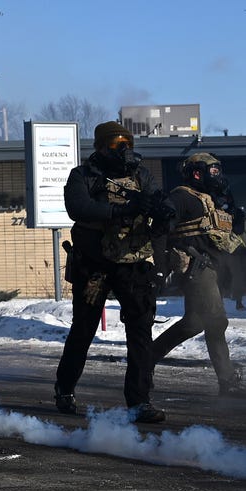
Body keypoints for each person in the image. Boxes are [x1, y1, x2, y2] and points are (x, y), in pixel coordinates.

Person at [53, 121, 171, 423]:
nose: (123, 150)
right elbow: (78, 208)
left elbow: (158, 215)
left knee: (141, 332)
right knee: (84, 329)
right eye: (116, 144)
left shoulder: (142, 176)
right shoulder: (83, 176)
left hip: (134, 263)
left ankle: (139, 401)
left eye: (127, 144)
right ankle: (65, 389)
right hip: (95, 265)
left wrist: (160, 216)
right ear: (101, 147)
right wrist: (119, 211)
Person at [151, 153, 246, 396]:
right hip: (197, 267)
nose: (217, 176)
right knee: (216, 321)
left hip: (215, 268)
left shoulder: (213, 199)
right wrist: (161, 267)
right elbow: (160, 229)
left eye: (218, 170)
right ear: (197, 173)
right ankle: (227, 383)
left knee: (194, 323)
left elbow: (227, 235)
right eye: (212, 171)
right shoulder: (181, 196)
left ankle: (145, 359)